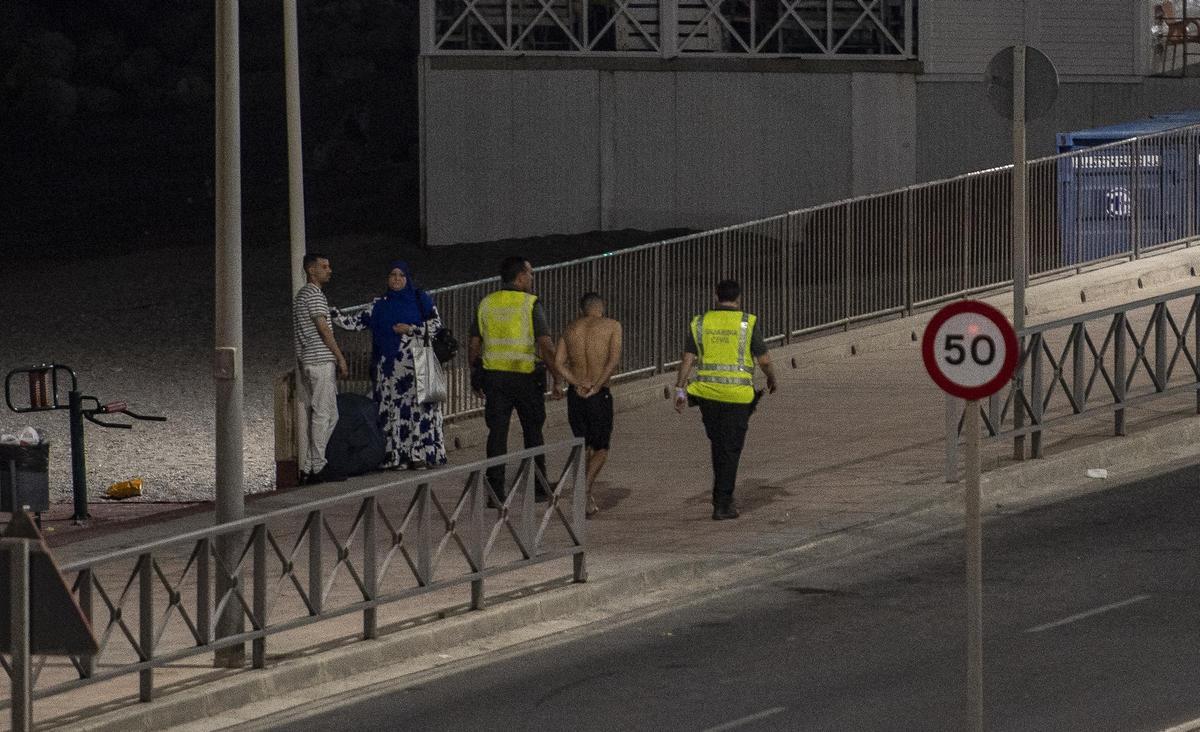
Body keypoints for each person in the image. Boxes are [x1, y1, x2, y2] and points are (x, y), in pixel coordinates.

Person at [673, 279, 778, 520]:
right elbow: (764, 361)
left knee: (719, 445)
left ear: (715, 296)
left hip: (706, 395)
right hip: (737, 396)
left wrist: (680, 390)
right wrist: (772, 379)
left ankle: (720, 493)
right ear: (739, 298)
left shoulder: (701, 322)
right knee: (730, 448)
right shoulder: (746, 323)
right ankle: (723, 503)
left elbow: (687, 358)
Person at [333, 261, 448, 471]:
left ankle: (419, 455)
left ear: (407, 278)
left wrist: (411, 328)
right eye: (392, 274)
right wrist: (330, 314)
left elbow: (436, 326)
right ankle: (397, 457)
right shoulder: (379, 305)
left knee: (418, 411)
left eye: (401, 275)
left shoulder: (419, 299)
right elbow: (355, 322)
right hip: (389, 372)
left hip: (416, 368)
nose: (396, 279)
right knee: (394, 411)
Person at [468, 256, 564, 501]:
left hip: (495, 379)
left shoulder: (486, 303)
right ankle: (539, 488)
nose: (532, 278)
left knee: (497, 434)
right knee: (533, 432)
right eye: (530, 274)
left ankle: (495, 492)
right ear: (520, 277)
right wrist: (557, 377)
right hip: (525, 378)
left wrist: (475, 375)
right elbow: (545, 344)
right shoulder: (530, 304)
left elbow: (474, 344)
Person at [554, 292, 622, 517]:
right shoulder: (612, 326)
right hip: (598, 393)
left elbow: (558, 363)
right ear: (601, 308)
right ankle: (584, 490)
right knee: (602, 447)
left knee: (582, 445)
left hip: (576, 394)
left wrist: (575, 382)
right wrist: (596, 385)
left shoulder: (571, 328)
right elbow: (613, 360)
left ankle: (585, 495)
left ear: (581, 310)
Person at [293, 253, 349, 484]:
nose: (330, 270)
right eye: (324, 266)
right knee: (323, 413)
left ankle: (311, 464)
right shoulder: (314, 295)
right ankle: (317, 467)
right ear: (311, 270)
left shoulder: (302, 296)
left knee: (330, 414)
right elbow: (323, 328)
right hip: (319, 359)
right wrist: (340, 357)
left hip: (310, 359)